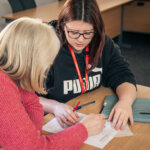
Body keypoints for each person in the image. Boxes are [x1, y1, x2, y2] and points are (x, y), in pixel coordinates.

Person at [0, 17, 105, 150]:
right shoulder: (2, 86)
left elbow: (32, 105)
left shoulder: (14, 73)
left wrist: (30, 139)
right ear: (30, 58)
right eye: (47, 58)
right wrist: (84, 129)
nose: (49, 64)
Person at [39, 0, 137, 131]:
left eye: (87, 33)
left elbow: (123, 74)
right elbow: (23, 94)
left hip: (90, 109)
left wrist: (125, 102)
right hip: (53, 119)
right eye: (73, 32)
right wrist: (54, 106)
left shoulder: (100, 41)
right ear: (62, 26)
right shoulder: (45, 45)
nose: (81, 39)